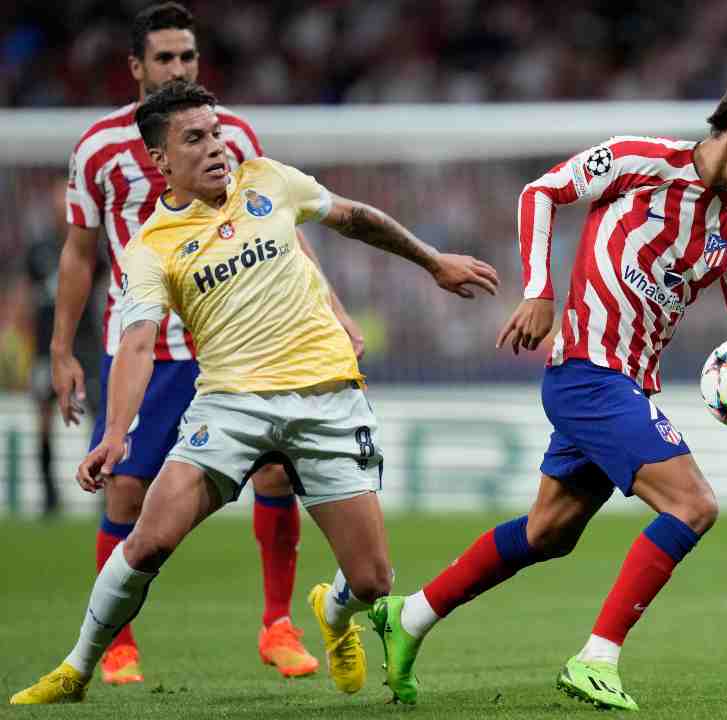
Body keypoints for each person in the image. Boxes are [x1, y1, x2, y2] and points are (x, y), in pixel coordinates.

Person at [366, 73, 727, 709]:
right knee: (693, 505)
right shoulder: (639, 162)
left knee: (549, 533)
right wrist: (538, 290)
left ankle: (408, 616)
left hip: (626, 386)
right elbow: (540, 193)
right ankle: (596, 657)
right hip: (586, 373)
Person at [9, 79, 501, 705]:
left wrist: (433, 261)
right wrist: (113, 435)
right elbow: (136, 341)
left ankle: (334, 613)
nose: (216, 146)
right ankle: (77, 668)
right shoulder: (151, 248)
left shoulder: (267, 180)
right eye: (195, 138)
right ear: (161, 159)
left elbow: (355, 218)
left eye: (215, 132)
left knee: (374, 581)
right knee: (149, 538)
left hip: (326, 402)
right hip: (230, 408)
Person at [52, 2, 365, 683]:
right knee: (127, 492)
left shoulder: (233, 134)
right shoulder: (98, 149)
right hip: (144, 343)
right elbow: (78, 254)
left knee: (277, 472)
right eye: (164, 58)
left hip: (234, 339)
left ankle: (277, 622)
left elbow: (284, 227)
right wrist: (59, 350)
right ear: (135, 67)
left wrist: (335, 307)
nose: (177, 69)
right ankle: (121, 642)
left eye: (187, 58)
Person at [25, 176, 103, 518]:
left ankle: (105, 491)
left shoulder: (92, 252)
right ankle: (49, 497)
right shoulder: (38, 251)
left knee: (98, 417)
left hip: (85, 347)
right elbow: (26, 299)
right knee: (44, 418)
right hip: (46, 348)